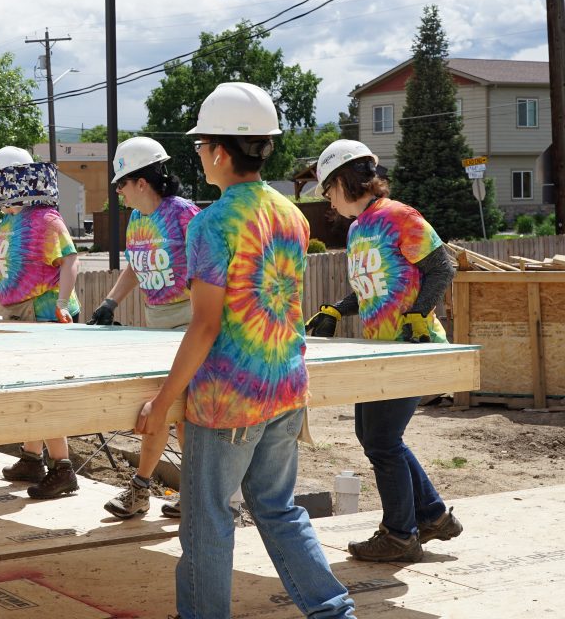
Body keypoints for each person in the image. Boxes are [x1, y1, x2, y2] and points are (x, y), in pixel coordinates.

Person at [136, 82, 355, 619]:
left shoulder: (212, 224)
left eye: (200, 146)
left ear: (217, 150)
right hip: (285, 387)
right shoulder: (291, 214)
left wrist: (163, 402)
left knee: (207, 520)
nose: (200, 156)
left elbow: (206, 325)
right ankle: (333, 610)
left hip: (229, 401)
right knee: (278, 510)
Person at [306, 139, 462, 563]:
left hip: (410, 347)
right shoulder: (360, 229)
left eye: (327, 190)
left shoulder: (398, 216)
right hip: (380, 349)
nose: (329, 201)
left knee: (381, 440)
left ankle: (399, 535)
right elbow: (372, 288)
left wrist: (417, 314)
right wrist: (337, 309)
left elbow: (442, 266)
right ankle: (429, 515)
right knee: (374, 437)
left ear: (342, 180)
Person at [0, 147, 82, 499]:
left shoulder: (46, 219)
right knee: (28, 388)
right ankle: (31, 458)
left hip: (44, 313)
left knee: (43, 391)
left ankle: (63, 468)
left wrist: (60, 302)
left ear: (12, 183)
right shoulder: (10, 222)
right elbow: (2, 271)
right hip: (18, 312)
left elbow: (71, 261)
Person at [89, 136, 199, 520]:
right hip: (156, 324)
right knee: (157, 410)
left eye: (121, 183)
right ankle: (146, 491)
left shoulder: (184, 213)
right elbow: (137, 265)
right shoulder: (138, 220)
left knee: (181, 414)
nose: (118, 191)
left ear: (141, 181)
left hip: (189, 320)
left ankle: (187, 494)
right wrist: (110, 302)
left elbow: (211, 261)